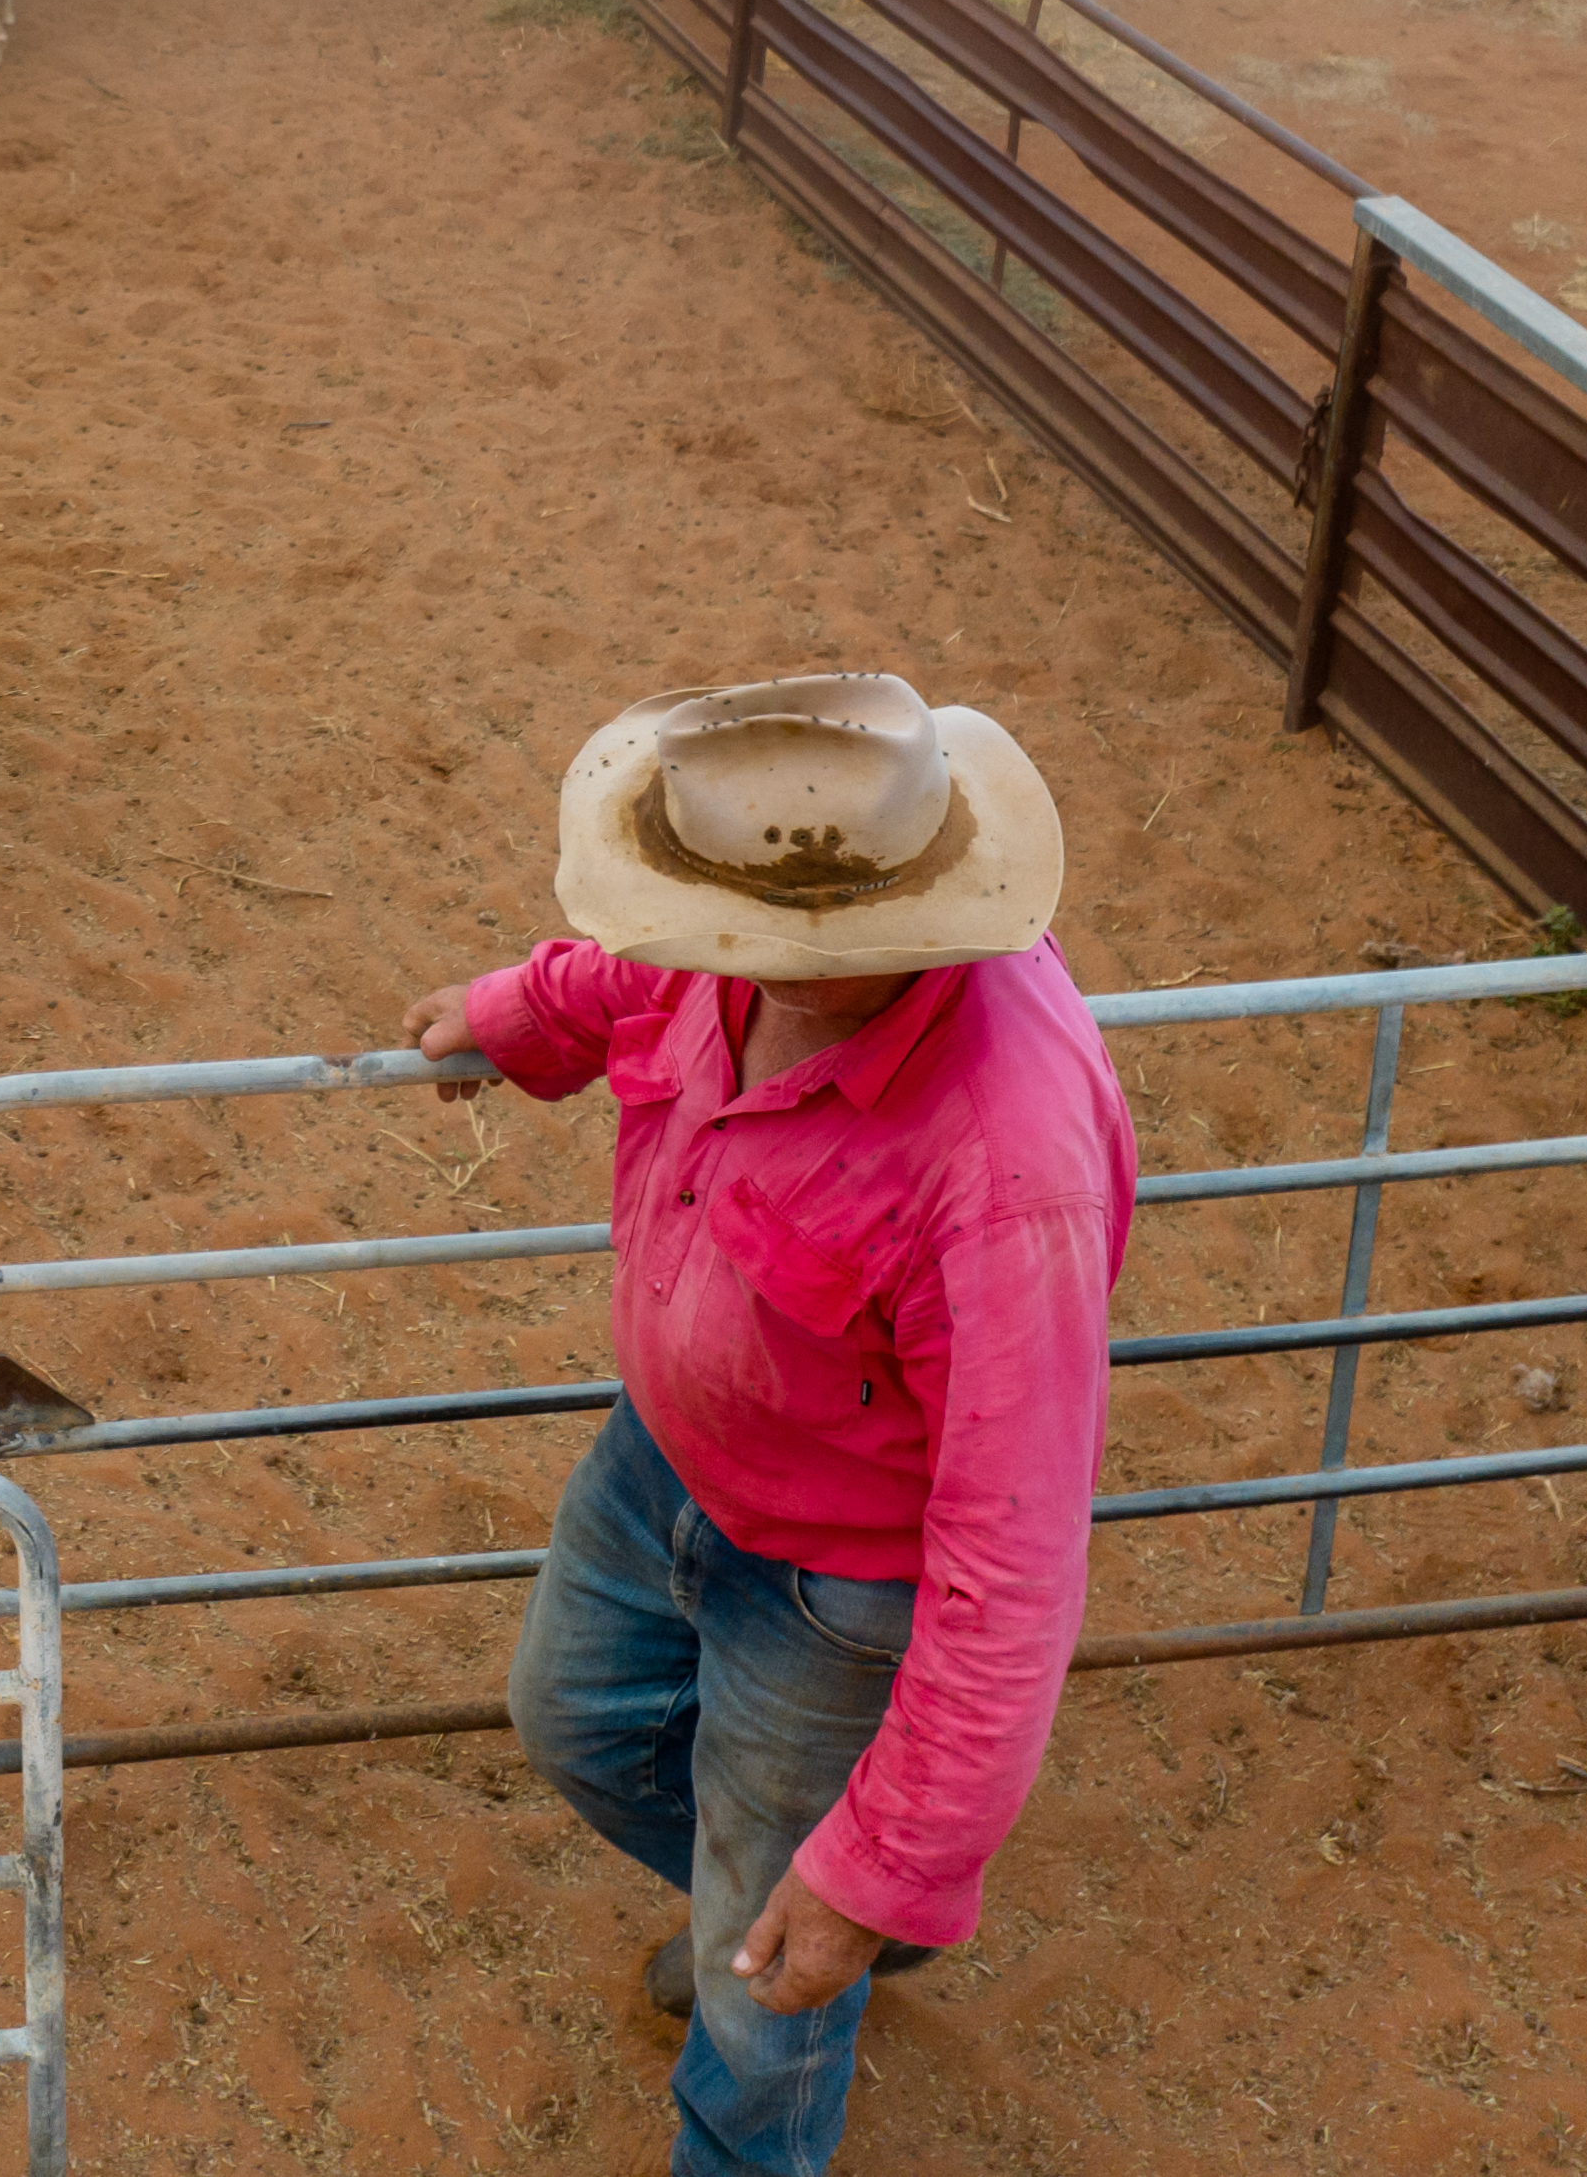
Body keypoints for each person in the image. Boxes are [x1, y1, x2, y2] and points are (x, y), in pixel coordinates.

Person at [401, 669, 1134, 2177]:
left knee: (762, 1992)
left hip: (838, 1582)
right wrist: (520, 1012)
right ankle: (795, 1913)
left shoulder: (1005, 1168)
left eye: (809, 948)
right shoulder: (741, 929)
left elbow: (1011, 1567)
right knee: (572, 1716)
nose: (755, 966)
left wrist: (876, 1869)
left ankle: (785, 1981)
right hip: (667, 1455)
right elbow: (653, 974)